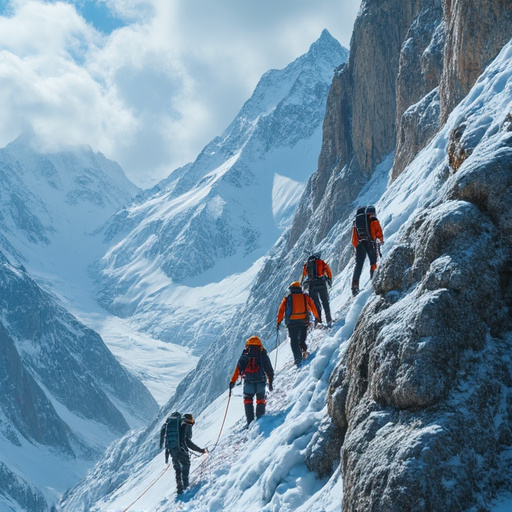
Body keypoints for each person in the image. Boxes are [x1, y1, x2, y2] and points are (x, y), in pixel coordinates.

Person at [229, 336, 274, 426]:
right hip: (261, 380)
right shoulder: (262, 354)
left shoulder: (245, 355)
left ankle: (250, 421)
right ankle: (260, 419)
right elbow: (269, 370)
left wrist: (232, 382)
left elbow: (238, 370)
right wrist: (270, 383)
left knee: (248, 400)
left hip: (248, 382)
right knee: (260, 400)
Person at [159, 412, 207, 495]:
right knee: (185, 466)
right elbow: (187, 442)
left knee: (178, 469)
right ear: (191, 421)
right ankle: (185, 488)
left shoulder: (178, 425)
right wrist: (201, 450)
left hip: (172, 450)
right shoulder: (186, 425)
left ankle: (179, 490)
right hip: (181, 450)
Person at [276, 281, 320, 367]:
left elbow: (281, 310)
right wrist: (317, 317)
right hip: (304, 321)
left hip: (292, 323)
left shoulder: (287, 298)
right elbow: (313, 306)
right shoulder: (305, 297)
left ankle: (298, 359)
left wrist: (278, 322)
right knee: (302, 339)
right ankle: (304, 351)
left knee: (294, 341)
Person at [351, 205, 384, 296]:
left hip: (359, 243)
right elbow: (378, 231)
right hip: (369, 242)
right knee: (373, 261)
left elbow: (354, 236)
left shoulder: (356, 221)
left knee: (359, 264)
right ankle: (373, 282)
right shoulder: (373, 219)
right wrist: (381, 240)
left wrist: (355, 246)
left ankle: (354, 287)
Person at [302, 253, 333, 327]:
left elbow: (304, 274)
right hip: (321, 283)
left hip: (312, 286)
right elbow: (328, 271)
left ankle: (319, 321)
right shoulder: (321, 262)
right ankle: (328, 319)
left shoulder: (307, 265)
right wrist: (329, 280)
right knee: (325, 302)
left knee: (316, 304)